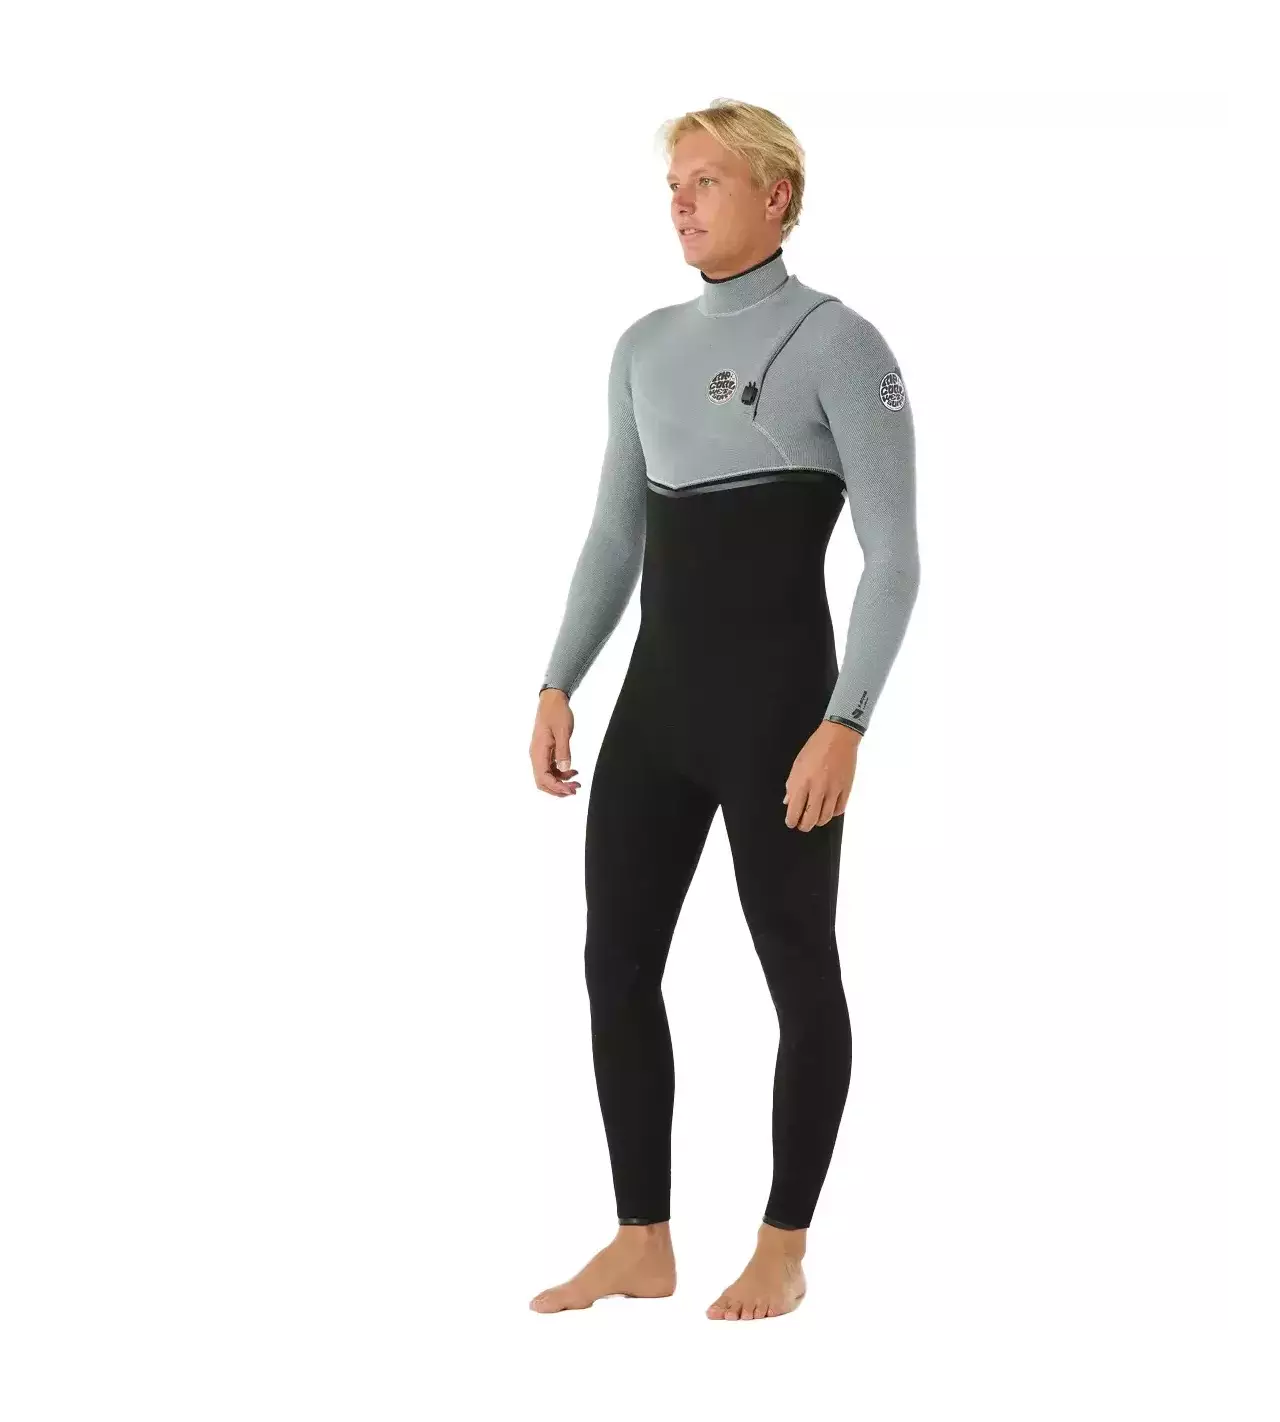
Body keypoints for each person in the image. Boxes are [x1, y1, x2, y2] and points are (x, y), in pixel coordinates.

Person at [527, 98, 919, 1320]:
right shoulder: (642, 347)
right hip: (656, 715)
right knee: (615, 963)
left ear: (776, 196)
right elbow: (615, 537)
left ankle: (783, 1248)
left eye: (705, 181)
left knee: (797, 968)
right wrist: (557, 681)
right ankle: (641, 1239)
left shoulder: (840, 343)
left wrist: (846, 722)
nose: (681, 203)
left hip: (781, 720)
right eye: (673, 184)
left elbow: (895, 559)